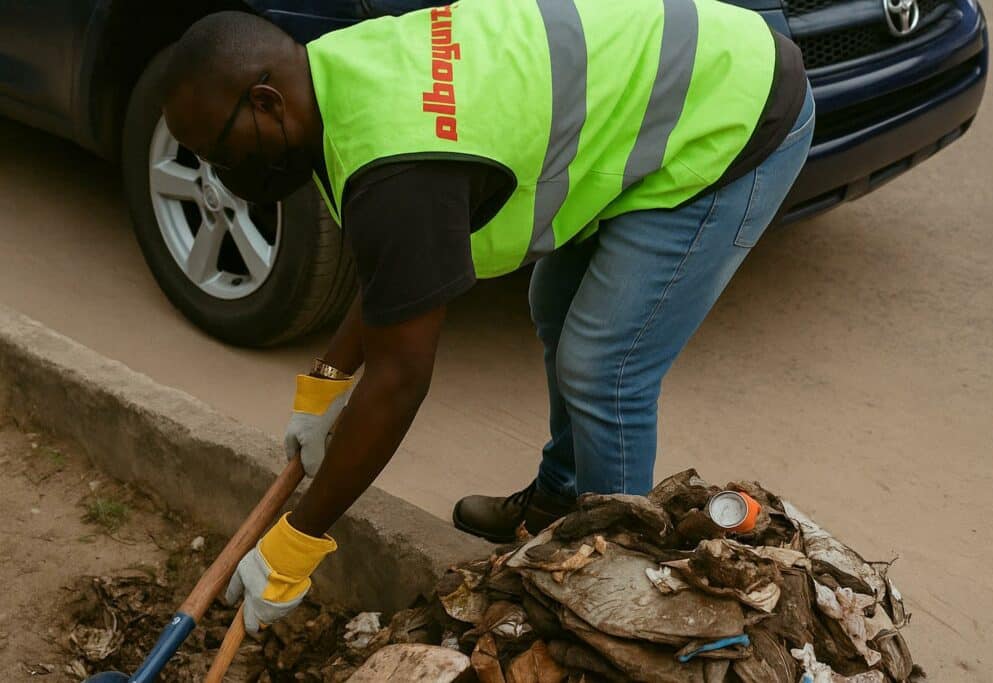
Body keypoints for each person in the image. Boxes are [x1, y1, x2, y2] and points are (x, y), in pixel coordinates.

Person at [162, 0, 813, 635]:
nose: (219, 177)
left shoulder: (395, 168)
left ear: (267, 103)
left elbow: (398, 382)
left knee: (604, 366)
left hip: (734, 112)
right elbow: (399, 276)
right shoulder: (338, 74)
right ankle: (562, 500)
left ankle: (615, 586)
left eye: (219, 150)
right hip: (660, 91)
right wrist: (327, 383)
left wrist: (297, 544)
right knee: (553, 304)